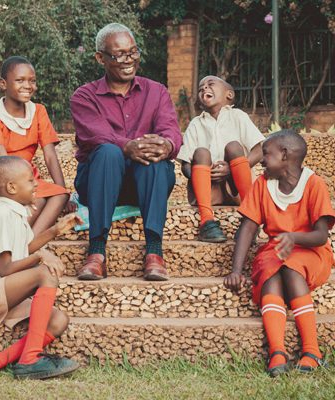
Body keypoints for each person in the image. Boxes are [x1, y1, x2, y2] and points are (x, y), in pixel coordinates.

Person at [70, 23, 182, 281]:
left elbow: (170, 130)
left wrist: (166, 145)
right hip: (99, 181)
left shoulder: (157, 91)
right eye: (119, 54)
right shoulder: (84, 96)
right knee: (108, 151)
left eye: (133, 52)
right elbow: (95, 134)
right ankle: (96, 252)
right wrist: (126, 147)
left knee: (154, 158)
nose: (128, 60)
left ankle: (154, 252)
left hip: (145, 184)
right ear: (100, 58)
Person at [0, 156, 83, 380]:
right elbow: (5, 268)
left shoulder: (15, 211)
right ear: (12, 187)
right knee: (45, 272)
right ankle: (30, 359)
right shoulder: (2, 214)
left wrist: (55, 231)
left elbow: (24, 249)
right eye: (30, 180)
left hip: (1, 293)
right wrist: (40, 256)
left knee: (58, 320)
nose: (36, 183)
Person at [224, 130, 335, 376]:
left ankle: (312, 351)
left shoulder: (313, 184)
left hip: (311, 251)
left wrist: (294, 237)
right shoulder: (263, 185)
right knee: (270, 272)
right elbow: (248, 227)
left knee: (290, 267)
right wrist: (235, 270)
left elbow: (320, 236)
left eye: (266, 154)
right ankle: (277, 352)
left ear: (284, 155)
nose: (261, 160)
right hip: (275, 250)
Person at [0, 55, 75, 235]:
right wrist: (27, 188)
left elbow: (50, 155)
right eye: (20, 80)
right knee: (38, 200)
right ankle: (18, 247)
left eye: (32, 81)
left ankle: (29, 244)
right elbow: (3, 161)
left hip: (28, 179)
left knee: (59, 195)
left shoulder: (38, 111)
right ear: (3, 83)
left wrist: (63, 190)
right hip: (1, 180)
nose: (28, 86)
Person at [177, 75, 265, 242]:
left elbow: (259, 150)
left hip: (236, 187)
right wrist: (202, 173)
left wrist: (231, 170)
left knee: (234, 147)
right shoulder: (196, 123)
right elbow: (185, 165)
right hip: (207, 191)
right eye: (201, 88)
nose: (204, 89)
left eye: (210, 84)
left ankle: (251, 218)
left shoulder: (238, 116)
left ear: (229, 95)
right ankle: (207, 221)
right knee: (201, 152)